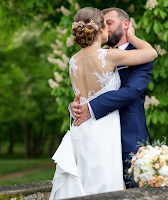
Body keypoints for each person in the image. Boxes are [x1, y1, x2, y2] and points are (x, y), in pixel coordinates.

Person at [50, 7, 157, 200]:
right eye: (105, 24)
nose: (108, 29)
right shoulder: (107, 56)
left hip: (85, 131)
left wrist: (79, 108)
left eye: (111, 23)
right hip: (103, 131)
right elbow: (151, 52)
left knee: (87, 184)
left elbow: (86, 98)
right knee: (103, 186)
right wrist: (77, 108)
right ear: (99, 30)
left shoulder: (73, 60)